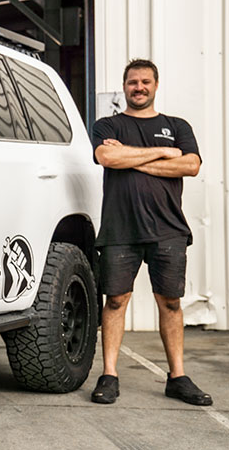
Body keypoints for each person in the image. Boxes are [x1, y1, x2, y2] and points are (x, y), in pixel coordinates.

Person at [90, 58, 212, 406]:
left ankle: (177, 377)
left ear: (156, 85)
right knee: (115, 301)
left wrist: (132, 157)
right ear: (124, 86)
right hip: (120, 229)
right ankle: (109, 374)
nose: (139, 87)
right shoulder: (107, 125)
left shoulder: (177, 125)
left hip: (168, 229)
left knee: (171, 302)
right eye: (132, 82)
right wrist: (161, 152)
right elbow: (108, 159)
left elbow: (190, 164)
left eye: (145, 81)